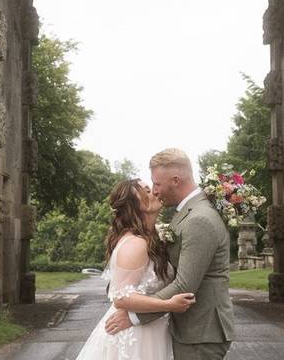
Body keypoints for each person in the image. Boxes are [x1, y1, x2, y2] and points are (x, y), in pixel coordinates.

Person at [104, 148, 234, 360]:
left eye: (156, 184)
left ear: (175, 180)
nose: (155, 191)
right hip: (178, 331)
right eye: (149, 188)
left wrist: (135, 317)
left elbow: (184, 286)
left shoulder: (198, 219)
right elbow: (122, 292)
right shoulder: (182, 215)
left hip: (200, 331)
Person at [75, 177, 196, 360]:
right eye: (146, 191)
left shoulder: (152, 238)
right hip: (135, 337)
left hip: (153, 331)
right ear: (136, 205)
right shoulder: (135, 244)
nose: (154, 192)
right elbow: (122, 298)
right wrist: (168, 304)